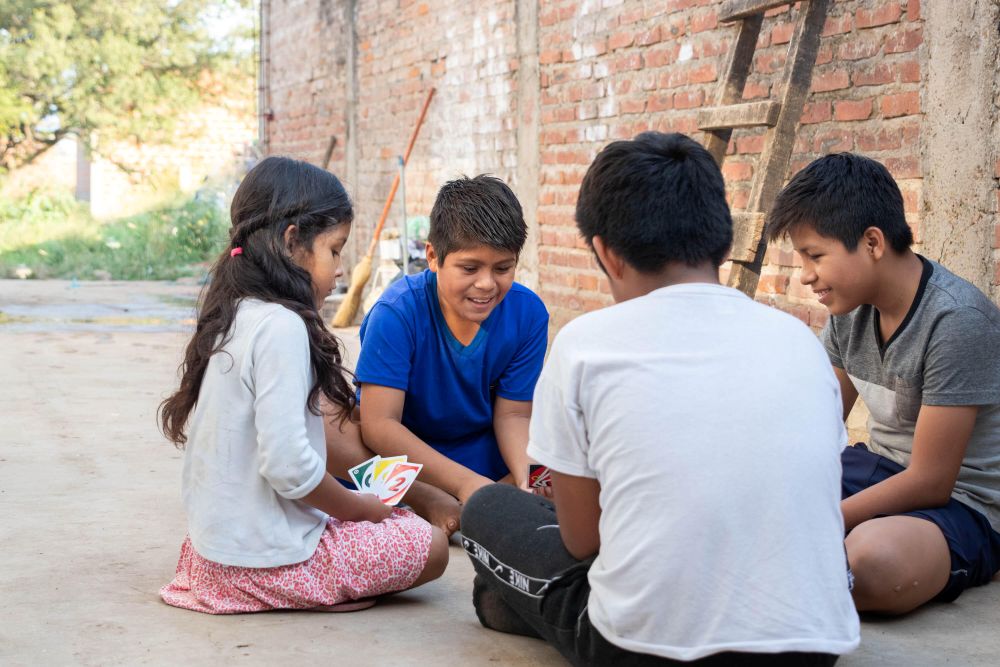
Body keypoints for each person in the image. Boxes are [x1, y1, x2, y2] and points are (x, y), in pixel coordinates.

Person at [460, 132, 860, 665]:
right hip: (812, 647)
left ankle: (510, 604)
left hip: (644, 651)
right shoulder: (799, 342)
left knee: (488, 508)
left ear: (605, 252)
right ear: (723, 240)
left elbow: (584, 541)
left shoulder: (585, 345)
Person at [157, 156, 447, 614]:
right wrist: (358, 508)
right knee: (430, 545)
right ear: (292, 241)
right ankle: (306, 587)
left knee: (386, 522)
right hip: (264, 562)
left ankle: (309, 579)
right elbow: (289, 468)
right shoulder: (282, 327)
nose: (339, 271)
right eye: (334, 250)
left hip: (210, 557)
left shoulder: (237, 312)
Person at [765, 152, 1000, 614]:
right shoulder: (848, 312)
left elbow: (932, 481)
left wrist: (825, 518)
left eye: (815, 255)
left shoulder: (957, 322)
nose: (806, 275)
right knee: (757, 505)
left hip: (963, 501)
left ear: (872, 242)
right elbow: (815, 422)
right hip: (879, 469)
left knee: (870, 566)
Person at [354, 175, 549, 535]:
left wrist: (527, 479)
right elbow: (380, 425)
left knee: (554, 461)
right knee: (347, 435)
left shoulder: (528, 314)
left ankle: (493, 496)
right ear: (432, 256)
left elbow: (515, 414)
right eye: (470, 268)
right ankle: (434, 498)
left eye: (503, 268)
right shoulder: (396, 312)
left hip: (479, 451)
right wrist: (465, 484)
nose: (487, 284)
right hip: (405, 455)